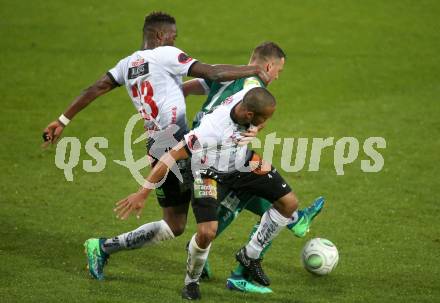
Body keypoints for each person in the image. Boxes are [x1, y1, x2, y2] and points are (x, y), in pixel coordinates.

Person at [42, 10, 269, 279]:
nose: (175, 42)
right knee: (229, 181)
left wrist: (62, 119)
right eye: (173, 37)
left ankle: (104, 248)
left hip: (156, 145)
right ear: (161, 36)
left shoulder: (126, 65)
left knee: (176, 223)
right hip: (178, 144)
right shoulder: (165, 54)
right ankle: (277, 223)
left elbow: (95, 88)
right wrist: (252, 70)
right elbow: (214, 73)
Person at [115, 87, 310, 300]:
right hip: (208, 173)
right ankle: (191, 282)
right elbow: (170, 156)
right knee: (207, 232)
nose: (265, 122)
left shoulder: (247, 97)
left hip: (243, 163)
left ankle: (250, 255)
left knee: (289, 203)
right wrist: (142, 193)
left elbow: (258, 116)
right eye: (263, 119)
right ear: (249, 115)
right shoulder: (210, 131)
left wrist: (257, 128)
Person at [182, 42, 324, 293]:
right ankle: (246, 265)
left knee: (268, 202)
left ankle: (293, 220)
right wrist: (254, 127)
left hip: (202, 148)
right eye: (278, 70)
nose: (277, 76)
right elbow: (249, 116)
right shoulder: (254, 88)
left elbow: (186, 89)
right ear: (269, 66)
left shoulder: (225, 74)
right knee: (260, 205)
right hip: (220, 157)